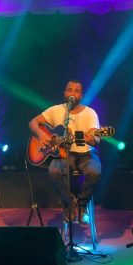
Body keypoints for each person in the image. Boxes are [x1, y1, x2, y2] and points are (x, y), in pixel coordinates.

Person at [28, 79, 101, 224]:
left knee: (94, 172)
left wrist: (92, 139)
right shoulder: (55, 110)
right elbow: (32, 122)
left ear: (81, 96)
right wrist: (41, 134)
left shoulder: (90, 113)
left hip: (86, 154)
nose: (72, 93)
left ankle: (82, 205)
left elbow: (97, 139)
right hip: (64, 155)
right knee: (54, 171)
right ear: (64, 93)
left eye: (76, 91)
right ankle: (68, 204)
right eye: (69, 90)